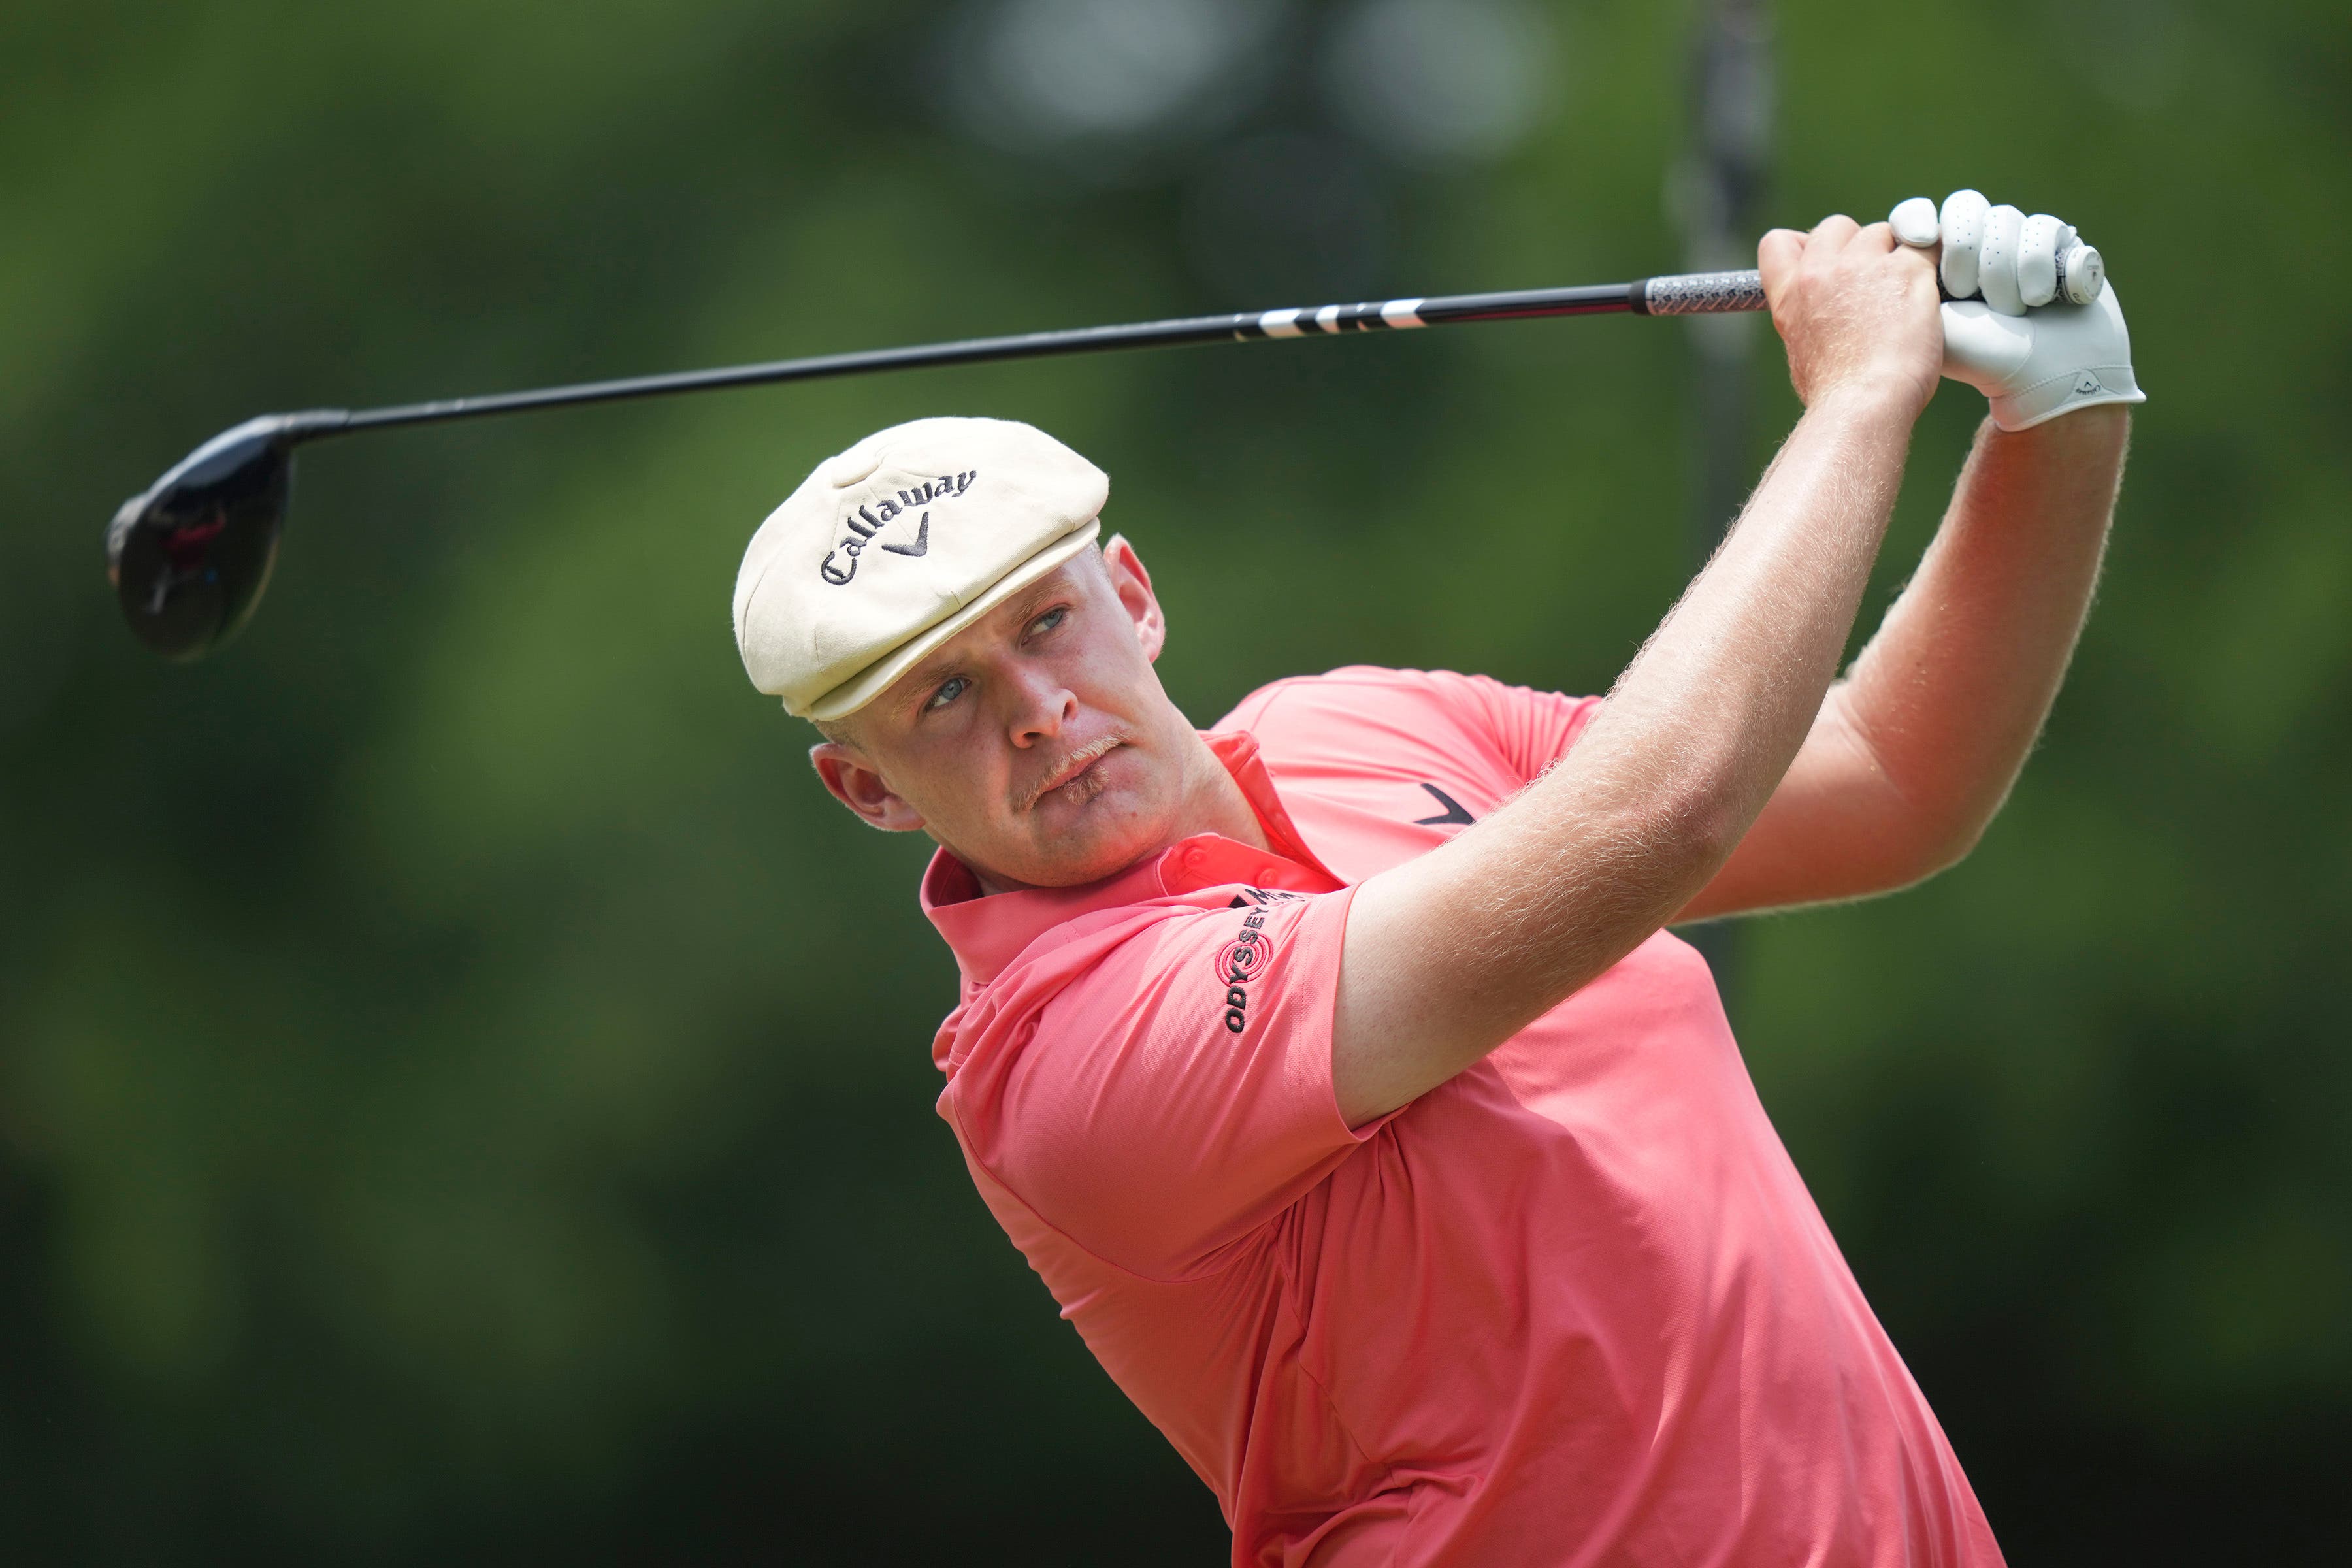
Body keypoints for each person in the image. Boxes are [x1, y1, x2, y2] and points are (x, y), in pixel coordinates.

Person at [728, 191, 2139, 1566]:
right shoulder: (1063, 1057)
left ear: (1138, 598)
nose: (1036, 709)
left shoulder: (1357, 724)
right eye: (946, 698)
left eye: (1050, 622)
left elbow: (1891, 777)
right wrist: (1856, 401)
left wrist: (2063, 409)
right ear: (865, 787)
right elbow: (1661, 814)